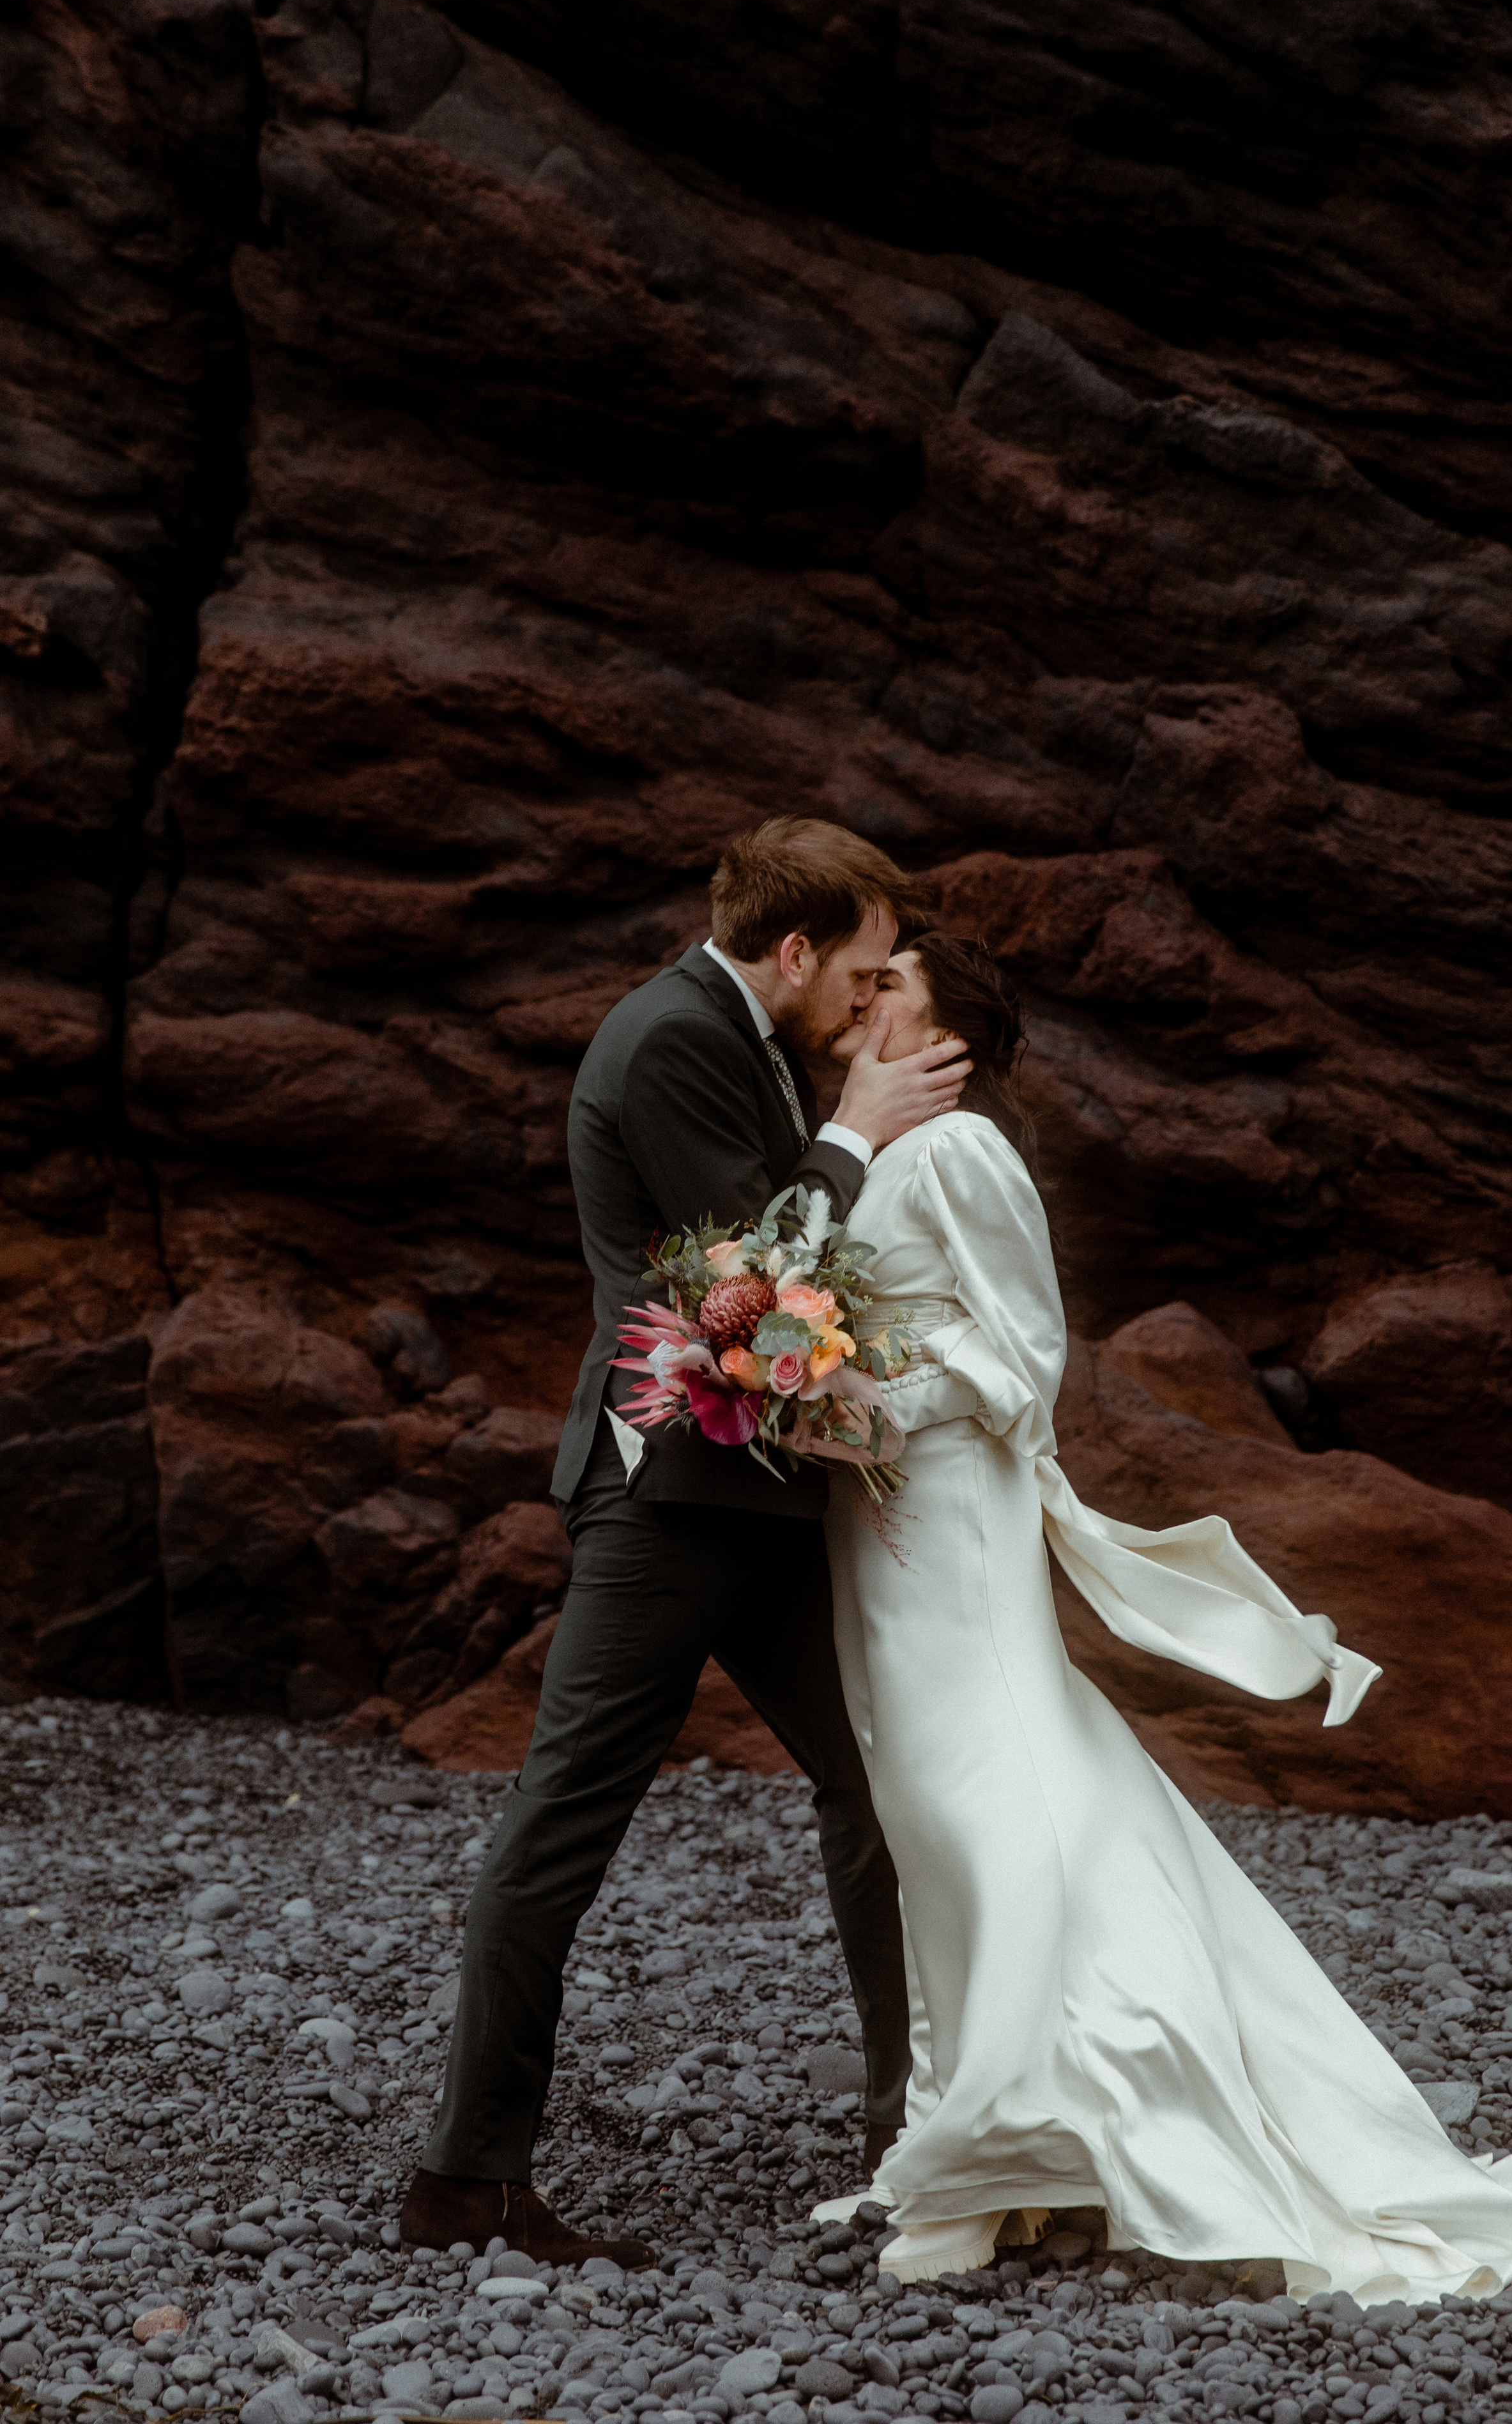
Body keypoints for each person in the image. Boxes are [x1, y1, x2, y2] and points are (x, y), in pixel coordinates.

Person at [816, 930, 1512, 2301]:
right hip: (880, 1516)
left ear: (946, 1035)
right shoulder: (885, 1151)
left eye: (893, 985)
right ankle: (985, 2145)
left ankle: (1017, 2135)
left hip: (946, 1511)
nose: (863, 993)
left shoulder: (955, 1152)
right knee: (935, 1808)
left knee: (983, 1791)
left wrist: (866, 1395)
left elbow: (1021, 1353)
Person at [398, 817, 971, 2263]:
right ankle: (468, 2182)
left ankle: (915, 2132)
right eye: (855, 969)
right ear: (792, 951)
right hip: (664, 1497)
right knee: (562, 1823)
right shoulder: (667, 1039)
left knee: (877, 1780)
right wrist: (856, 1129)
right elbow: (750, 1282)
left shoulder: (750, 1030)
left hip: (761, 1489)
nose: (865, 999)